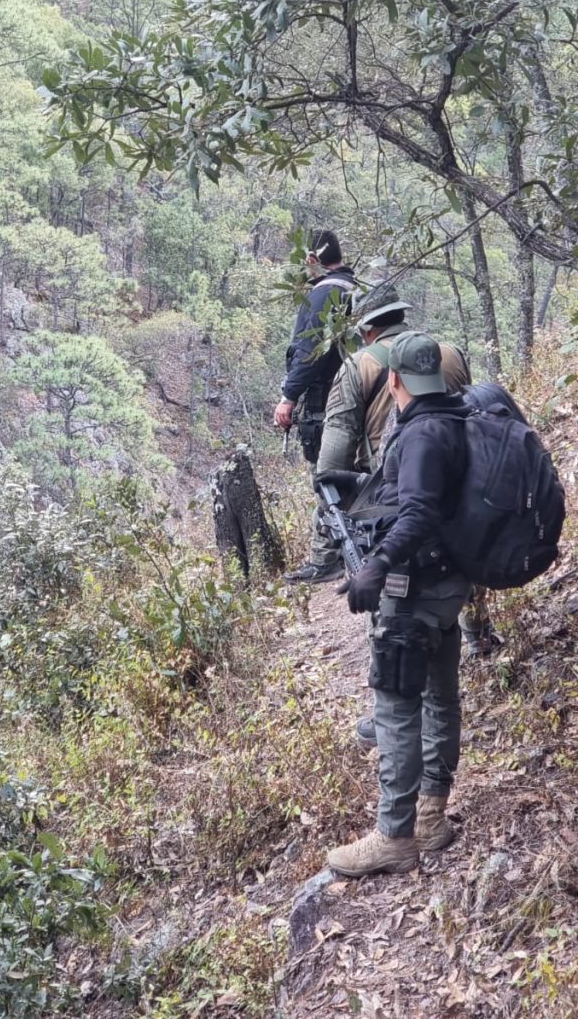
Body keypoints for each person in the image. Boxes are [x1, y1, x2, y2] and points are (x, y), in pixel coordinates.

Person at [326, 331, 472, 878]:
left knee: (396, 705)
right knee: (439, 696)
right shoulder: (455, 419)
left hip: (413, 590)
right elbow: (424, 497)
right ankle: (432, 816)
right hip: (448, 584)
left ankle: (395, 835)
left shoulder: (420, 434)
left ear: (394, 380)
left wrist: (375, 567)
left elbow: (418, 513)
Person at [286, 281, 468, 586]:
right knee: (461, 566)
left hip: (390, 487)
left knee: (395, 593)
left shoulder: (359, 365)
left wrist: (324, 551)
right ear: (399, 315)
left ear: (367, 327)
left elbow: (334, 457)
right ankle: (477, 629)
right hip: (458, 475)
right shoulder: (450, 353)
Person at [273, 230, 356, 576]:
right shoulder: (354, 287)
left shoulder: (325, 293)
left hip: (326, 398)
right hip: (355, 391)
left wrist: (288, 397)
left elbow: (309, 353)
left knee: (325, 473)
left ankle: (327, 558)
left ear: (312, 260)